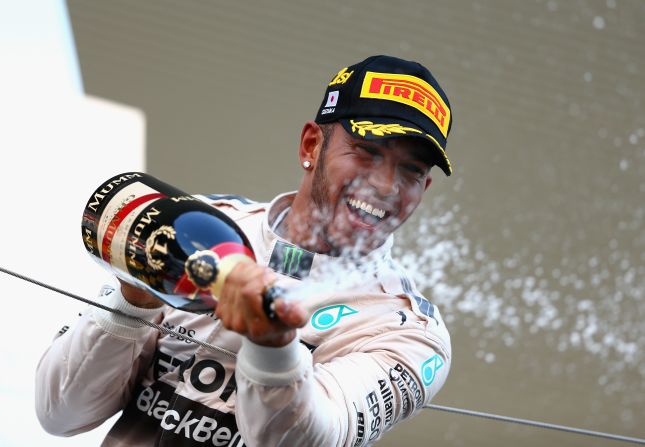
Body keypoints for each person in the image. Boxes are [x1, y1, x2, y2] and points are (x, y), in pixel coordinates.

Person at [36, 55, 454, 447]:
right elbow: (59, 414)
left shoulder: (411, 334)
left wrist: (272, 342)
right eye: (367, 152)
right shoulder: (198, 222)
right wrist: (135, 299)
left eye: (411, 170)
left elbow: (306, 439)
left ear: (425, 188)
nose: (385, 185)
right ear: (311, 145)